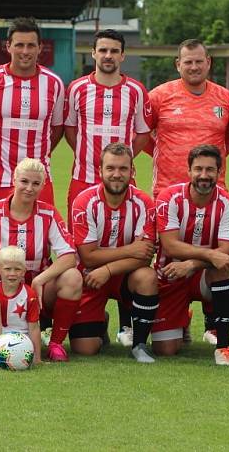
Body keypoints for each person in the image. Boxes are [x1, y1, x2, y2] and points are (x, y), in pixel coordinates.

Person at [146, 38, 229, 346]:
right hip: (166, 195)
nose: (194, 66)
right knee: (167, 261)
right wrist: (169, 161)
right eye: (188, 62)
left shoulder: (225, 98)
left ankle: (214, 325)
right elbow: (144, 136)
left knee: (215, 258)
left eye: (199, 61)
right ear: (178, 65)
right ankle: (174, 321)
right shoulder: (159, 96)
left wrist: (208, 169)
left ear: (208, 62)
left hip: (212, 196)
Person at [0, 158, 82, 362]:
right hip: (2, 292)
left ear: (43, 185)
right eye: (24, 181)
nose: (29, 188)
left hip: (38, 292)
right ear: (14, 180)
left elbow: (69, 256)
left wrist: (39, 280)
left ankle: (55, 343)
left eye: (36, 183)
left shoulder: (48, 214)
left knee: (73, 278)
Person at [69, 142, 159, 363]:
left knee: (147, 277)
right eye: (110, 168)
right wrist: (129, 249)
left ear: (132, 171)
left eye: (123, 169)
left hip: (124, 276)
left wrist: (108, 269)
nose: (116, 174)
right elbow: (88, 256)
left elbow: (145, 255)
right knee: (85, 348)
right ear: (100, 170)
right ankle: (101, 321)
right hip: (90, 276)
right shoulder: (84, 202)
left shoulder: (144, 203)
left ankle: (138, 344)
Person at [151, 144, 229, 365]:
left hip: (203, 275)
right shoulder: (169, 197)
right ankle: (182, 318)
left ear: (219, 173)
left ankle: (223, 348)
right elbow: (170, 245)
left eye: (210, 170)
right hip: (170, 274)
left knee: (222, 269)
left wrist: (191, 263)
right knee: (165, 350)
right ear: (188, 171)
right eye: (198, 169)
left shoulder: (228, 203)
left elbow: (227, 252)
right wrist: (208, 256)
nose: (204, 175)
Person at [64, 28, 151, 221]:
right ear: (93, 53)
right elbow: (70, 129)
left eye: (114, 51)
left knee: (124, 237)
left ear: (122, 56)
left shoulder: (136, 90)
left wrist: (122, 158)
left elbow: (143, 133)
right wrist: (83, 153)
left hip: (123, 178)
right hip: (83, 178)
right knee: (78, 243)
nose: (108, 56)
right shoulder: (76, 88)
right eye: (103, 50)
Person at [0, 17, 65, 207]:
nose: (25, 51)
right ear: (8, 46)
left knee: (39, 234)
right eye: (19, 45)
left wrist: (41, 155)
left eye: (31, 45)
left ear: (40, 47)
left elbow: (57, 129)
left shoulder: (54, 84)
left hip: (39, 180)